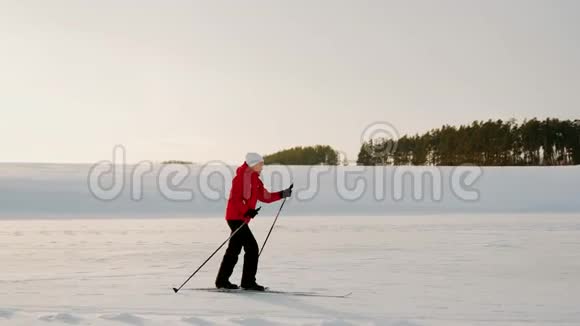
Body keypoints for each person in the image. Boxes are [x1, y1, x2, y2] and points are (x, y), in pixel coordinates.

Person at [215, 152, 293, 291]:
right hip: (235, 217)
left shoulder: (255, 179)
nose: (262, 166)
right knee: (252, 248)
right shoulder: (241, 178)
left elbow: (265, 196)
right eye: (260, 164)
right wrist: (246, 210)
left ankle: (222, 281)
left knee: (234, 249)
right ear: (253, 164)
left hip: (241, 218)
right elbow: (235, 199)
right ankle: (248, 282)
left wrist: (282, 193)